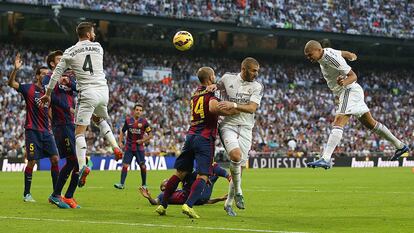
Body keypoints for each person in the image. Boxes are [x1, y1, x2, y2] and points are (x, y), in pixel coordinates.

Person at [39, 22, 123, 188]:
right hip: (103, 91)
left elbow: (56, 74)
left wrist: (48, 93)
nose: (95, 35)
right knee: (99, 120)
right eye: (93, 32)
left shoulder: (70, 52)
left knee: (79, 132)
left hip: (88, 92)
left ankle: (83, 165)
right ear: (89, 34)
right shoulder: (98, 47)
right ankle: (115, 147)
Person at [303, 40, 409, 169]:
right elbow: (343, 53)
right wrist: (352, 56)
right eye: (307, 56)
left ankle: (325, 158)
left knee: (338, 121)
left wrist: (344, 82)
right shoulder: (327, 52)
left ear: (319, 50)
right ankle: (400, 146)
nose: (309, 58)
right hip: (349, 91)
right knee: (371, 123)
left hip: (348, 90)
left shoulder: (330, 58)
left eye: (310, 54)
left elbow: (353, 76)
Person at [155, 67, 239, 219]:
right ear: (209, 77)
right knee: (203, 175)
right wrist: (234, 110)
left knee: (179, 173)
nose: (215, 77)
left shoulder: (195, 94)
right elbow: (213, 108)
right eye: (213, 75)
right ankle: (189, 205)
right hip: (204, 138)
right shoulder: (210, 94)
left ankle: (163, 204)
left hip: (190, 136)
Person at [215, 57, 263, 216]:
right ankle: (239, 191)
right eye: (254, 70)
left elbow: (251, 108)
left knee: (240, 167)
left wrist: (233, 105)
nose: (257, 73)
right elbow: (216, 89)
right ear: (244, 69)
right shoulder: (227, 78)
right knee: (235, 156)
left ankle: (228, 203)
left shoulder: (257, 86)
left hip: (246, 128)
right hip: (227, 125)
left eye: (257, 71)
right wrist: (211, 86)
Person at [8, 53, 59, 202]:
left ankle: (56, 194)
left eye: (47, 74)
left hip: (47, 132)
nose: (45, 76)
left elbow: (49, 110)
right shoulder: (28, 89)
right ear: (37, 76)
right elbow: (11, 84)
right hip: (32, 131)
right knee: (32, 162)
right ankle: (27, 194)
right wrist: (15, 70)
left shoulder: (48, 92)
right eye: (43, 74)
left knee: (55, 159)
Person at [43, 50, 80, 209]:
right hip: (60, 124)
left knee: (78, 162)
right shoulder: (48, 78)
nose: (63, 61)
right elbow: (51, 98)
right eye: (59, 59)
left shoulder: (69, 77)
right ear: (52, 63)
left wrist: (69, 82)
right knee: (74, 160)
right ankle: (57, 195)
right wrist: (69, 109)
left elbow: (80, 89)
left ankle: (67, 196)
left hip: (72, 124)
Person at [140, 163, 230, 206]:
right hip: (200, 196)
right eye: (166, 182)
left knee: (211, 173)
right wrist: (149, 198)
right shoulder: (163, 195)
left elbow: (204, 201)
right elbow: (155, 202)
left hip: (200, 196)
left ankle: (225, 175)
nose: (168, 180)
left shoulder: (180, 190)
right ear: (164, 188)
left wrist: (220, 199)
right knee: (212, 171)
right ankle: (228, 176)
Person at [114, 104, 153, 190]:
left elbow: (150, 135)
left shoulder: (144, 122)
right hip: (129, 147)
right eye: (137, 110)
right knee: (125, 165)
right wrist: (120, 142)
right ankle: (121, 184)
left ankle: (144, 184)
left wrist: (142, 141)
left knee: (142, 166)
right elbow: (122, 131)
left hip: (139, 148)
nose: (138, 111)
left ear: (141, 112)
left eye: (140, 110)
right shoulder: (128, 121)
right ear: (134, 111)